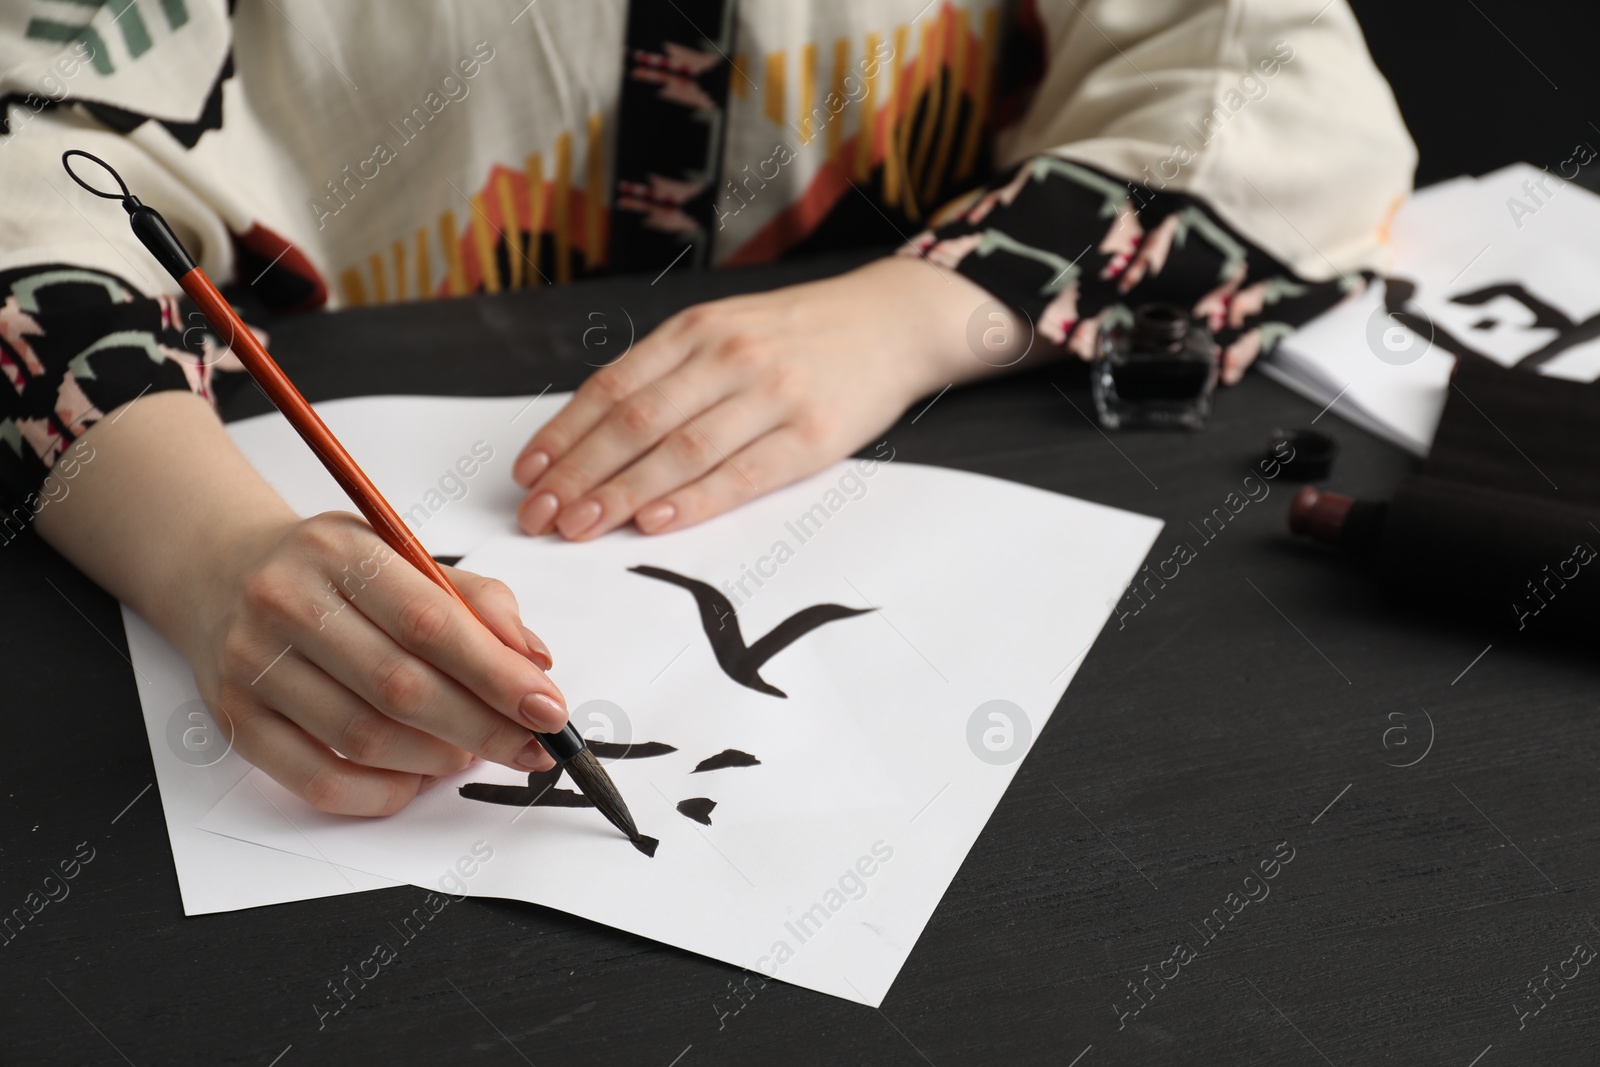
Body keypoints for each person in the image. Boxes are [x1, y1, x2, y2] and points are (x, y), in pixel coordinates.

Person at [0, 0, 1413, 814]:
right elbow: (31, 157)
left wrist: (915, 315)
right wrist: (208, 555)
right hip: (279, 460)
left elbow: (1292, 96)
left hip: (904, 449)